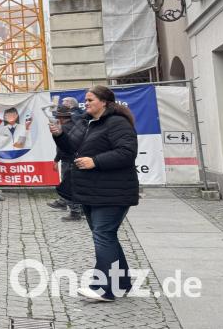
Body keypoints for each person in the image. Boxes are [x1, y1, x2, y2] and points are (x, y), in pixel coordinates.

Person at [50, 85, 139, 302]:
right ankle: (122, 283)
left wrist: (95, 161)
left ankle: (104, 289)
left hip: (113, 192)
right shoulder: (90, 123)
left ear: (104, 102)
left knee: (103, 236)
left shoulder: (116, 122)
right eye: (86, 100)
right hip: (93, 191)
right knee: (106, 236)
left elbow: (127, 152)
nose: (86, 103)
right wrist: (60, 135)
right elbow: (73, 149)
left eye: (90, 100)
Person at [47, 104, 83, 221]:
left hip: (68, 160)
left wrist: (56, 159)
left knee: (69, 185)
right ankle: (80, 210)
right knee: (76, 185)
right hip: (75, 158)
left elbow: (62, 147)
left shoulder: (64, 128)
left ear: (61, 118)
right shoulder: (75, 124)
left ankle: (75, 212)